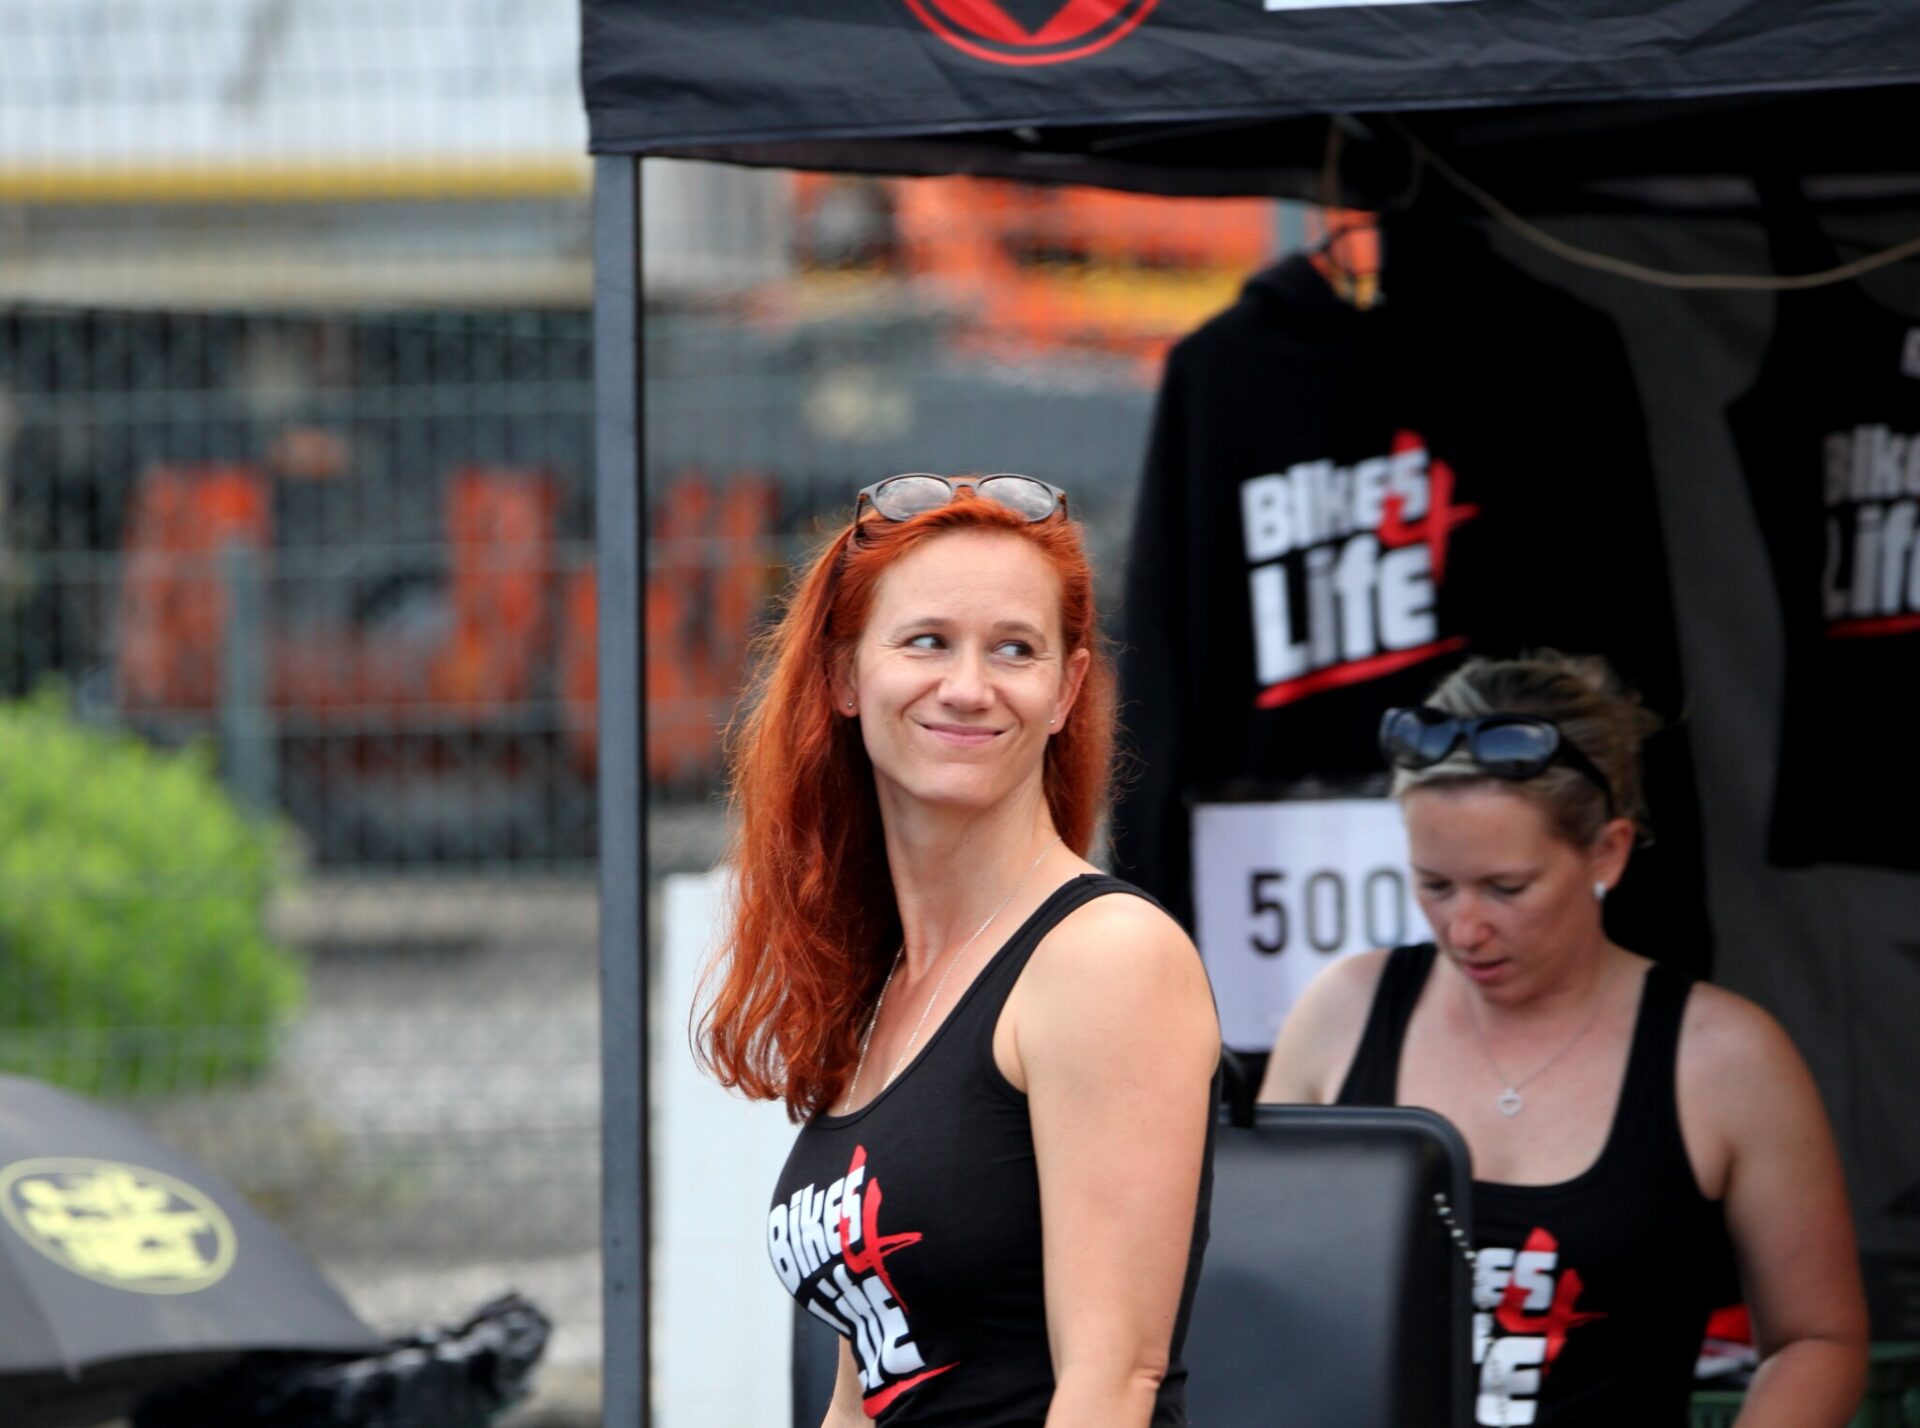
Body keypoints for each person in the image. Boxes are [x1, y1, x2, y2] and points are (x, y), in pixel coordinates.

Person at [701, 473, 1220, 1427]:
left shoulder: (1105, 960)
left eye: (1014, 649)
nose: (970, 688)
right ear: (843, 677)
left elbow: (1113, 1384)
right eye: (927, 641)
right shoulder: (890, 980)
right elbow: (866, 1394)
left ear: (1065, 692)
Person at [1258, 652, 1867, 1428]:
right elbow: (1261, 1290)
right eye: (1434, 884)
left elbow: (1816, 1338)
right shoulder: (1343, 1012)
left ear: (1608, 851)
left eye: (1506, 889)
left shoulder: (1723, 1057)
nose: (1464, 929)